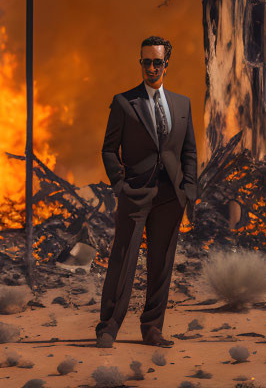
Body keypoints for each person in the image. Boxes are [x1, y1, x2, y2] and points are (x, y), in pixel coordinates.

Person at [95, 35, 198, 348]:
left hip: (171, 196)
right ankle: (108, 328)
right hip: (136, 193)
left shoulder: (182, 104)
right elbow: (109, 149)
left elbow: (190, 151)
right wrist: (119, 184)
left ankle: (152, 329)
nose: (150, 68)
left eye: (156, 62)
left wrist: (189, 189)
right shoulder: (125, 102)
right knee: (123, 259)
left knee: (161, 263)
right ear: (140, 63)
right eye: (145, 62)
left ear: (166, 64)